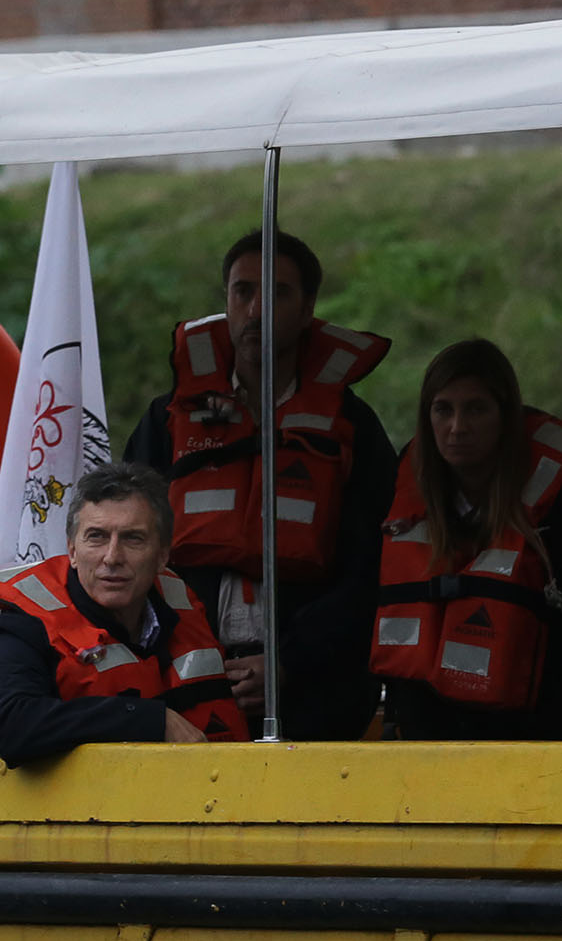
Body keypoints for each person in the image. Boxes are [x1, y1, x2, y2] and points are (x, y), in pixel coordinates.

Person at [124, 229, 394, 740]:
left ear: (308, 306)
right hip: (186, 685)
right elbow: (127, 546)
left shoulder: (351, 428)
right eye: (242, 291)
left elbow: (373, 571)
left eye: (278, 293)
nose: (256, 310)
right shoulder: (166, 420)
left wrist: (290, 662)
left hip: (315, 697)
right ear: (226, 300)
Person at [370, 339, 562, 739]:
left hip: (531, 735)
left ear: (506, 416)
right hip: (427, 735)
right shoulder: (403, 485)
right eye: (443, 409)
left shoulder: (559, 503)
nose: (457, 427)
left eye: (476, 409)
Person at [0, 462, 249, 766]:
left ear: (162, 556)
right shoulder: (26, 622)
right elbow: (13, 728)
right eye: (96, 536)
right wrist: (151, 720)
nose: (112, 557)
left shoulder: (183, 605)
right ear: (72, 551)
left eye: (133, 538)